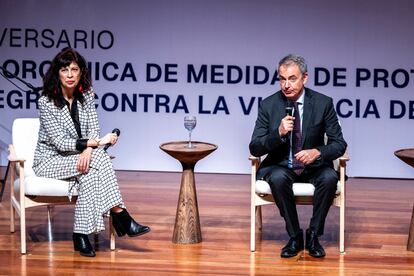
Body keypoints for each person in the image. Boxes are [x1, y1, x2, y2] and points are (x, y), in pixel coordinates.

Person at [32, 48, 150, 257]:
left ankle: (81, 235)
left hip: (79, 157)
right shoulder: (46, 102)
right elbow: (60, 142)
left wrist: (89, 148)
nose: (69, 75)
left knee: (92, 171)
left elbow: (94, 128)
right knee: (101, 157)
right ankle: (120, 215)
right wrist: (94, 144)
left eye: (74, 69)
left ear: (81, 72)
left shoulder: (86, 95)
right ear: (57, 73)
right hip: (50, 160)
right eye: (64, 69)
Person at [249, 54, 347, 258]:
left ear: (305, 78)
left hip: (314, 166)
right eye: (282, 78)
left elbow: (339, 144)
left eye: (292, 78)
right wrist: (278, 133)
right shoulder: (268, 105)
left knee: (329, 179)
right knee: (277, 178)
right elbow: (255, 147)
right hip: (282, 165)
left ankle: (313, 235)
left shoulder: (323, 103)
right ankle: (294, 236)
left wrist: (317, 152)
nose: (286, 85)